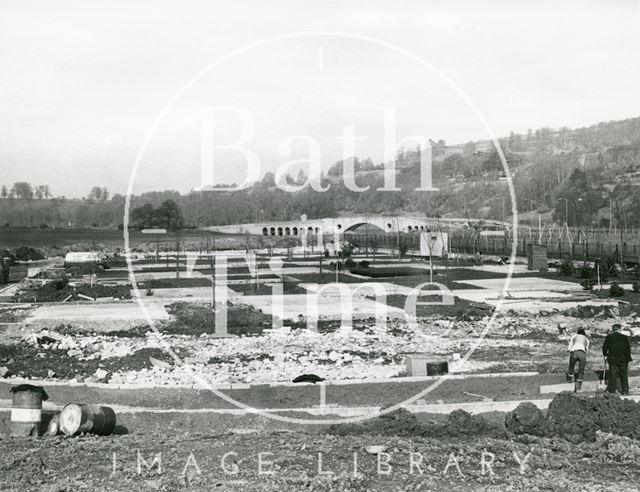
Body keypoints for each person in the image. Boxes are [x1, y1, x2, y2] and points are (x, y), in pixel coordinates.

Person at [602, 323, 632, 395]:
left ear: (613, 330)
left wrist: (605, 355)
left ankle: (612, 391)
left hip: (612, 358)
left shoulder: (609, 337)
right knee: (624, 375)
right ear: (619, 329)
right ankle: (625, 391)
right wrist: (628, 359)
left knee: (613, 374)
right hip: (623, 358)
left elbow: (604, 347)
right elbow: (628, 349)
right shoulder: (625, 337)